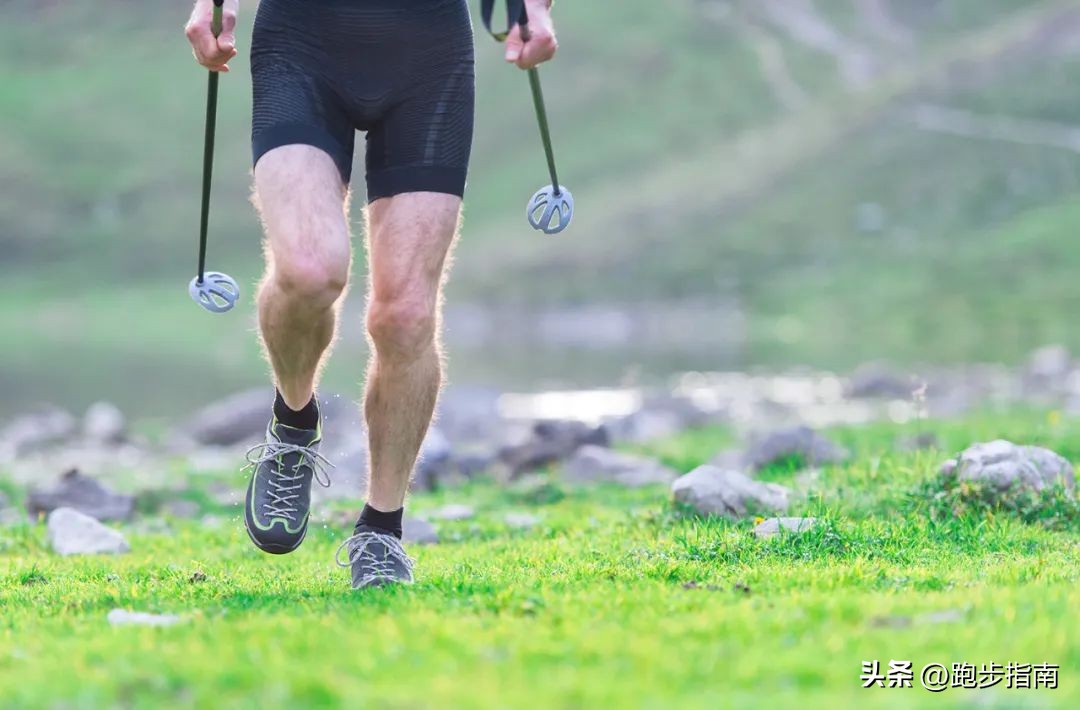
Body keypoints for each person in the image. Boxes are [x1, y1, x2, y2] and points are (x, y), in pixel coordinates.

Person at [183, 0, 558, 588]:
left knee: (405, 316)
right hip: (303, 44)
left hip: (429, 56)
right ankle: (293, 423)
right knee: (309, 270)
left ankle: (381, 531)